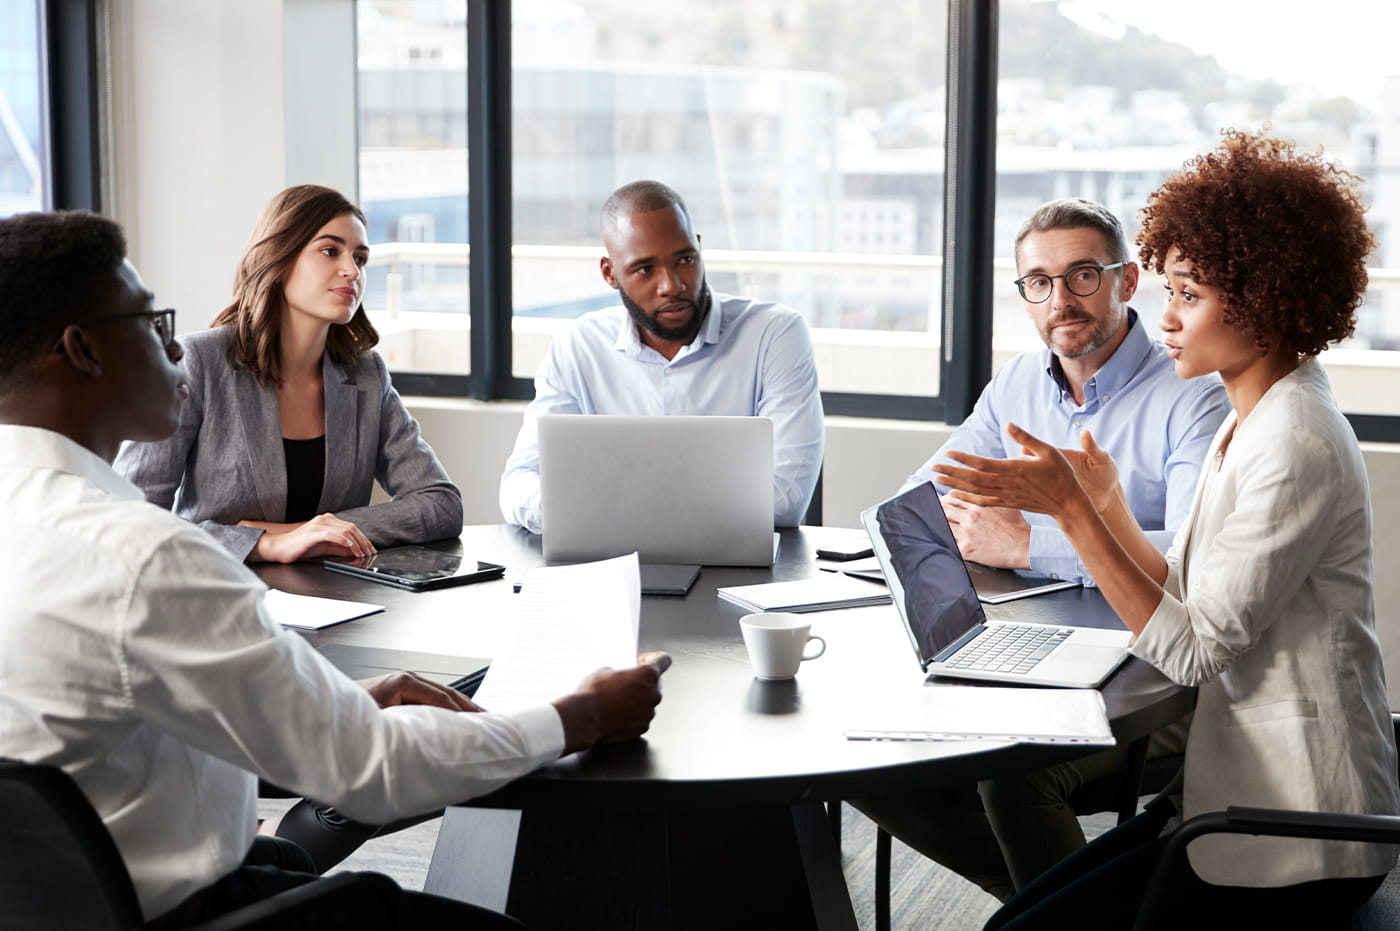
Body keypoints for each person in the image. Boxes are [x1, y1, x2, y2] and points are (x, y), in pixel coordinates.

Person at [0, 209, 672, 928]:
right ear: (81, 350)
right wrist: (581, 715)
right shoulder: (148, 556)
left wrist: (338, 698)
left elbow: (115, 714)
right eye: (149, 320)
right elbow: (374, 769)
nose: (172, 344)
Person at [936, 131, 1398, 930]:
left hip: (1296, 825)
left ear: (1264, 299)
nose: (1168, 317)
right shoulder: (1256, 411)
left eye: (1189, 293)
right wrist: (1108, 504)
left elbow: (1192, 649)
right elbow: (1186, 587)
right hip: (1233, 792)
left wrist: (1076, 517)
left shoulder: (1294, 441)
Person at [855, 199, 1229, 899]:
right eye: (1039, 281)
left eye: (1083, 275)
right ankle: (1055, 907)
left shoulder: (1194, 395)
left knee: (1018, 774)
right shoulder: (1019, 383)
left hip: (1168, 677)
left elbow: (1187, 555)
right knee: (868, 754)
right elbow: (925, 498)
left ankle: (1060, 910)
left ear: (1127, 278)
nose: (1061, 299)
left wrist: (1031, 542)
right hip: (1042, 646)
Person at [115, 184, 463, 566]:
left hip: (339, 602)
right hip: (220, 595)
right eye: (330, 251)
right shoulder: (198, 361)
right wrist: (264, 544)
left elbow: (440, 504)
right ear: (279, 258)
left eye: (360, 259)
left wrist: (308, 531)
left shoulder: (366, 374)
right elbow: (131, 521)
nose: (352, 271)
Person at [498, 179, 825, 532]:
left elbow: (785, 499)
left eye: (685, 259)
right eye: (645, 269)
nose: (672, 285)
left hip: (739, 575)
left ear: (699, 249)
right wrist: (559, 508)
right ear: (610, 273)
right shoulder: (578, 346)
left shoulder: (773, 334)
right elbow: (520, 482)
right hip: (610, 566)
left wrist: (597, 509)